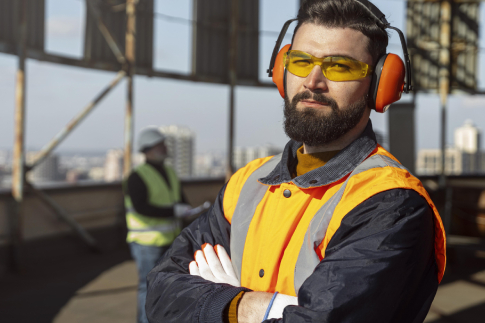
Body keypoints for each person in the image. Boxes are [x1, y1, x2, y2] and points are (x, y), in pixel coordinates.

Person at [145, 1, 446, 322]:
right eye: (300, 61)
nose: (312, 81)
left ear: (379, 86)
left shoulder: (390, 204)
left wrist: (221, 304)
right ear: (281, 71)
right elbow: (161, 292)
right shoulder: (246, 183)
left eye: (340, 66)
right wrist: (251, 307)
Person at [124, 127, 191, 323]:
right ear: (147, 149)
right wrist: (174, 211)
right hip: (147, 243)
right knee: (148, 286)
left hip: (170, 239)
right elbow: (141, 208)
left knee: (168, 285)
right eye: (159, 145)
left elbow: (179, 199)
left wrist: (186, 210)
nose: (164, 147)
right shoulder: (137, 176)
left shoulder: (169, 172)